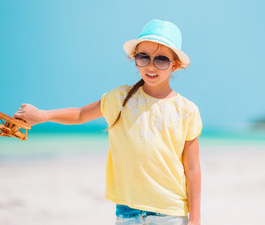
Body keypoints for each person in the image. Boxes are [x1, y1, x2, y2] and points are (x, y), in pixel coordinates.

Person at [14, 19, 203, 225]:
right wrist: (42, 115)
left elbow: (192, 168)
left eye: (161, 60)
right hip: (128, 211)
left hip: (170, 212)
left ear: (174, 65)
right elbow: (80, 114)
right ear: (135, 59)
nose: (151, 65)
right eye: (143, 57)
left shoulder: (187, 110)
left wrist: (195, 219)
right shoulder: (120, 98)